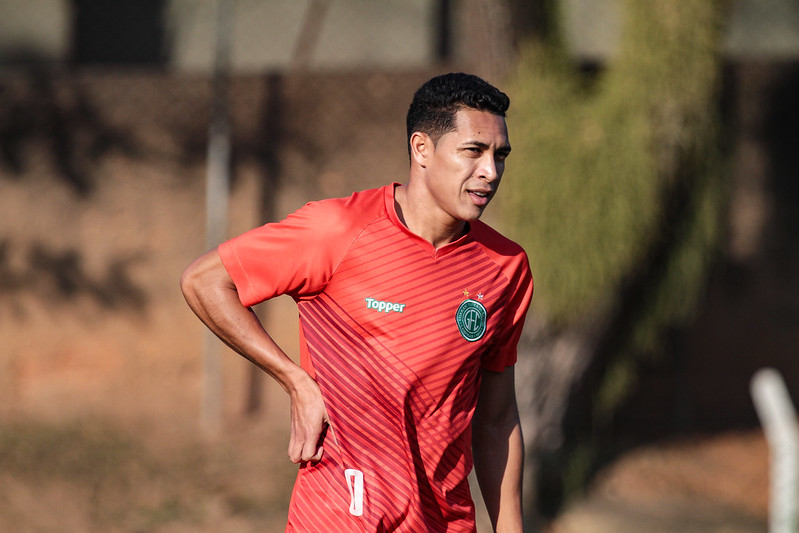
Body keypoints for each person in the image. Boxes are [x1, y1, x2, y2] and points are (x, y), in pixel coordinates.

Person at [181, 72, 533, 533]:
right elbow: (204, 282)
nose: (490, 171)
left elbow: (498, 418)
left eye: (499, 155)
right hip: (337, 515)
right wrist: (295, 381)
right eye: (473, 151)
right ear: (421, 149)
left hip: (444, 520)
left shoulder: (505, 266)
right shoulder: (337, 231)